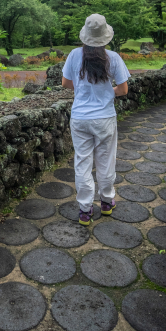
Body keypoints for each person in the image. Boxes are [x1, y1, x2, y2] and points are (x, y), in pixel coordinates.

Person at [61, 13, 130, 226]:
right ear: (105, 36)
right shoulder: (114, 58)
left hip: (80, 117)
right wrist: (108, 93)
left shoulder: (74, 55)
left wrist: (83, 90)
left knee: (82, 162)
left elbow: (66, 83)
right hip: (105, 118)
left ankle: (85, 210)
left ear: (86, 36)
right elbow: (124, 89)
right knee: (106, 160)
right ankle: (107, 201)